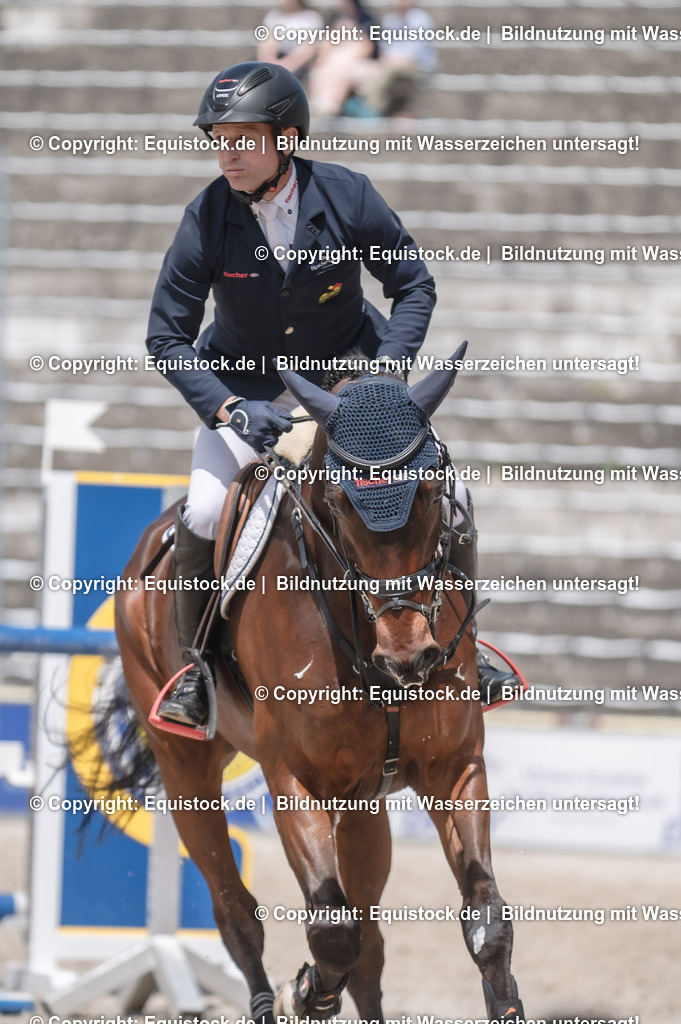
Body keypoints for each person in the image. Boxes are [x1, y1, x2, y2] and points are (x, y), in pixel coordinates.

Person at [146, 62, 517, 732]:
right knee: (203, 509)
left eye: (243, 137)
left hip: (352, 378)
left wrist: (383, 380)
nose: (226, 151)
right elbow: (165, 338)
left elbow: (413, 286)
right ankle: (197, 672)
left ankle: (469, 655)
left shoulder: (347, 196)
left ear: (286, 139)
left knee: (452, 494)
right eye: (218, 138)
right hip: (244, 386)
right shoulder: (204, 217)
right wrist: (230, 410)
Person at [256, 0, 324, 82]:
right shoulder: (273, 16)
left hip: (300, 65)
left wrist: (284, 67)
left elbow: (308, 49)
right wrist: (269, 65)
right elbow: (267, 45)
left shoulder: (311, 18)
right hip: (278, 60)